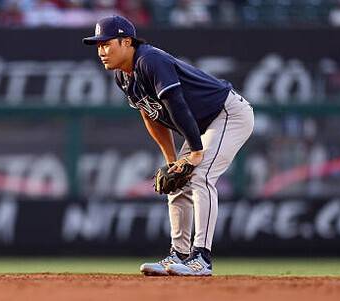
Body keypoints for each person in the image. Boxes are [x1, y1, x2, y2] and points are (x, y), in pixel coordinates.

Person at [83, 15, 254, 276]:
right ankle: (179, 255)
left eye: (106, 44)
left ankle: (202, 258)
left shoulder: (149, 60)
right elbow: (150, 115)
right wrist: (172, 159)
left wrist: (195, 152)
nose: (101, 51)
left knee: (200, 175)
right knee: (176, 179)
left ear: (126, 41)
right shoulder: (123, 77)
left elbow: (177, 105)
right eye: (98, 46)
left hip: (228, 113)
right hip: (202, 125)